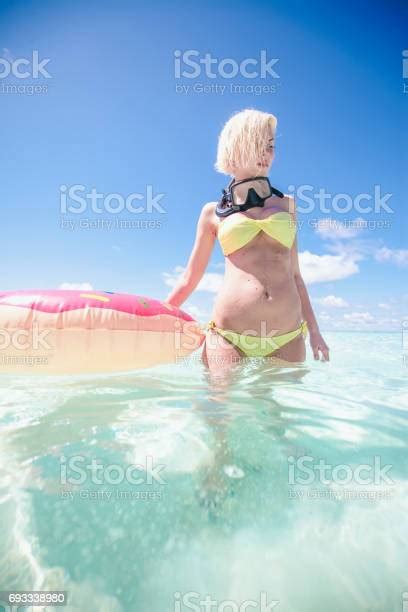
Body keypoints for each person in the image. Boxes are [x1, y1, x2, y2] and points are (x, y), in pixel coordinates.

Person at [165, 108, 329, 373]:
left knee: (277, 415)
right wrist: (155, 318)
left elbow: (296, 275)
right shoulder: (211, 213)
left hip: (286, 336)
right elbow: (189, 279)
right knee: (219, 411)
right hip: (229, 335)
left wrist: (315, 332)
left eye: (271, 146)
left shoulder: (288, 205)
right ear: (237, 147)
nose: (267, 154)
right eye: (258, 145)